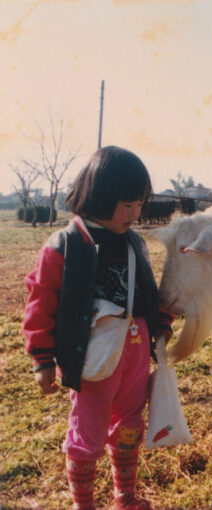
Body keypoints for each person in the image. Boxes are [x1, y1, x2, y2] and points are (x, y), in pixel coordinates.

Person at [23, 146, 174, 510]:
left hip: (135, 354)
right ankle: (84, 503)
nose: (135, 214)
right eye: (127, 205)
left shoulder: (135, 242)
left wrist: (161, 324)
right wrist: (42, 359)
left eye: (140, 204)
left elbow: (149, 291)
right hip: (92, 357)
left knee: (129, 425)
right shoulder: (66, 244)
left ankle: (126, 497)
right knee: (87, 431)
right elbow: (41, 303)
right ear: (99, 196)